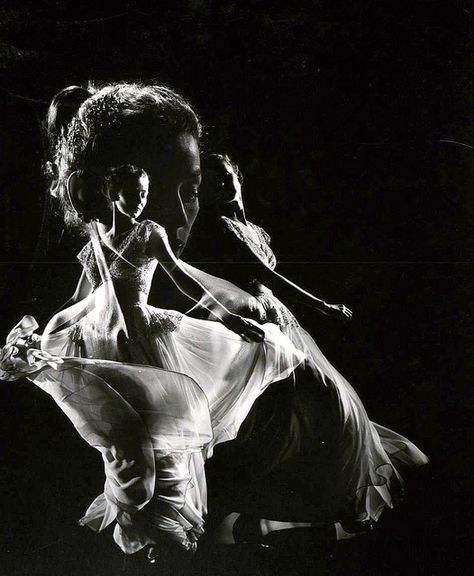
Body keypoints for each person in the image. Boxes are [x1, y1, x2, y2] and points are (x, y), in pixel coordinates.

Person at [0, 85, 306, 560]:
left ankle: (165, 523)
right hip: (102, 332)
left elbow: (183, 281)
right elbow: (86, 293)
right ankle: (144, 522)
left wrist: (224, 312)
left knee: (165, 429)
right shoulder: (97, 242)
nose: (138, 204)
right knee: (122, 434)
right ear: (108, 193)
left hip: (143, 331)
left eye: (145, 195)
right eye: (131, 194)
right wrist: (49, 333)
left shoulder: (151, 235)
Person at [180, 153, 428, 543]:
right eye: (212, 183)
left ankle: (289, 518)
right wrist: (322, 305)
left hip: (284, 322)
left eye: (226, 177)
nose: (222, 186)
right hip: (261, 327)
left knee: (321, 411)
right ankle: (285, 514)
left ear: (238, 176)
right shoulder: (221, 226)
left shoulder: (255, 230)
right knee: (323, 404)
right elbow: (265, 275)